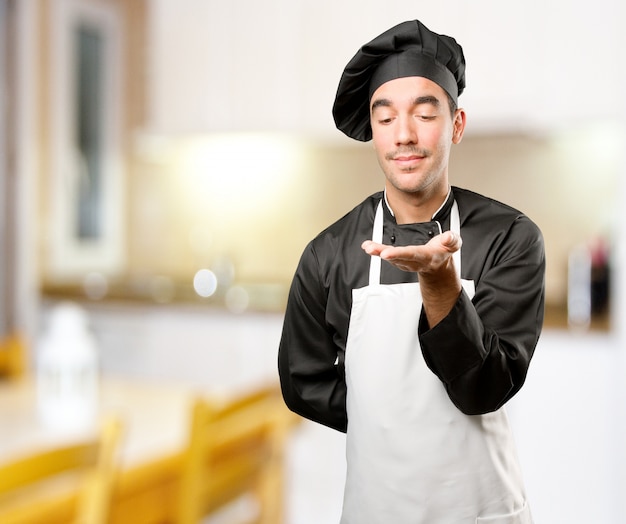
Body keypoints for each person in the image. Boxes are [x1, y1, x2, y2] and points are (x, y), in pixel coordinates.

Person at [278, 19, 544, 524]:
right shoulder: (329, 254)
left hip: (481, 511)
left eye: (425, 114)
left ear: (456, 124)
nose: (404, 135)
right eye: (385, 119)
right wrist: (392, 424)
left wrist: (441, 282)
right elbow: (303, 383)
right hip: (378, 509)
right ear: (373, 131)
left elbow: (483, 389)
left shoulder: (509, 238)